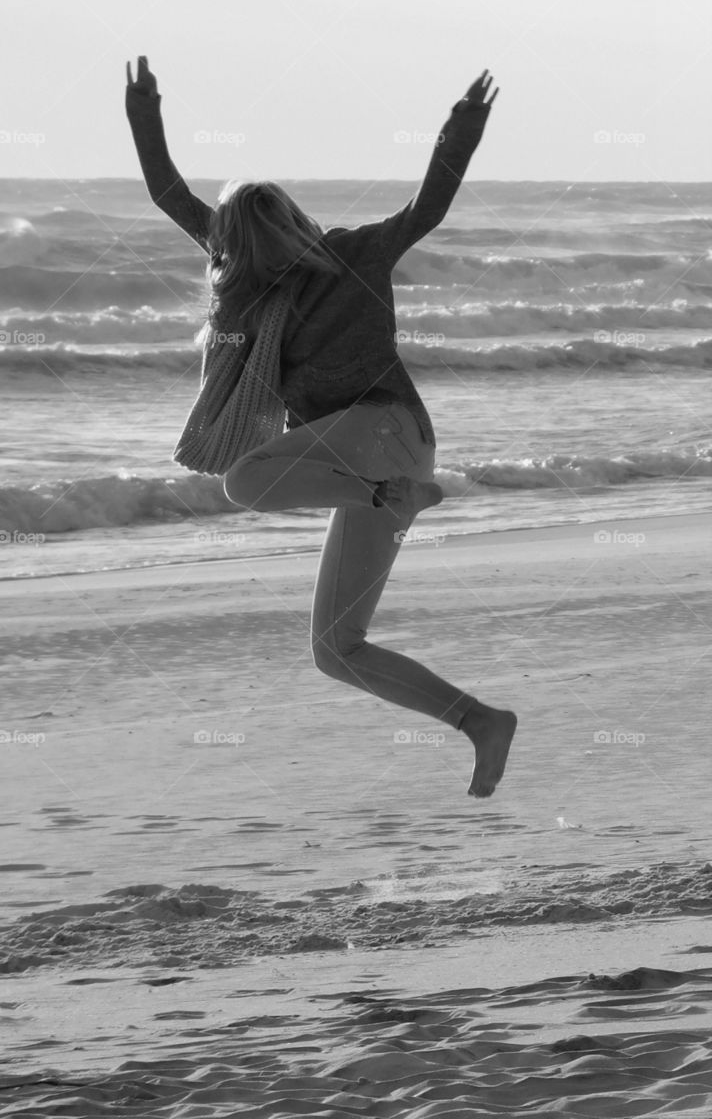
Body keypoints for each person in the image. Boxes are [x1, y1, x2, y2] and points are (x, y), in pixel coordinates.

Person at [125, 56, 517, 797]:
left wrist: (459, 129)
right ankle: (481, 722)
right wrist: (145, 116)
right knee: (336, 649)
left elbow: (425, 208)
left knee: (245, 480)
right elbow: (168, 194)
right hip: (366, 467)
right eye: (239, 242)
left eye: (259, 232)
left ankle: (397, 494)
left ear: (288, 224)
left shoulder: (355, 253)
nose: (250, 250)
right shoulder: (248, 285)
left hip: (387, 434)